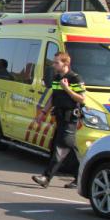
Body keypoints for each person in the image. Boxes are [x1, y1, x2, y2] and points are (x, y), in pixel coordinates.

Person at [32, 52, 86, 189]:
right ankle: (81, 178)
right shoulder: (57, 78)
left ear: (66, 63)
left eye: (57, 62)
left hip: (70, 118)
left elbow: (81, 99)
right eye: (54, 62)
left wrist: (67, 89)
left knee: (61, 147)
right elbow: (53, 97)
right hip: (60, 117)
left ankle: (46, 177)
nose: (53, 65)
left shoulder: (75, 78)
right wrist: (43, 113)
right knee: (69, 148)